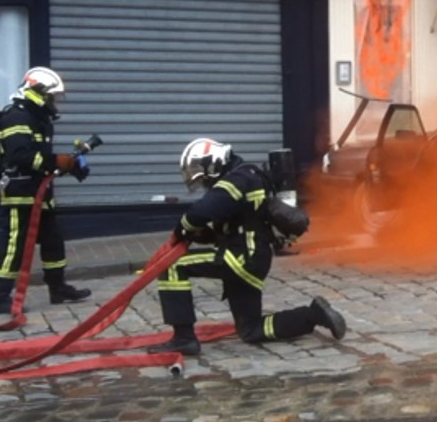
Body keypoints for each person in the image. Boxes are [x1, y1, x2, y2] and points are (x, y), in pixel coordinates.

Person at [148, 138, 348, 356]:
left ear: (212, 162)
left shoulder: (236, 180)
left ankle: (183, 339)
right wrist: (201, 234)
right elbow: (232, 225)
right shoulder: (247, 177)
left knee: (173, 266)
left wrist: (180, 231)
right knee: (250, 330)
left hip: (241, 257)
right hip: (253, 259)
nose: (204, 182)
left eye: (202, 173)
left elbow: (199, 214)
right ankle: (313, 315)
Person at [0, 67, 92, 315]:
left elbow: (41, 157)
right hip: (20, 193)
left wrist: (72, 165)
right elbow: (20, 155)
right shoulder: (17, 117)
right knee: (15, 245)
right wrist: (57, 161)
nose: (53, 102)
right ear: (38, 92)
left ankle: (58, 288)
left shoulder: (36, 117)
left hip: (39, 192)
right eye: (51, 96)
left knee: (53, 241)